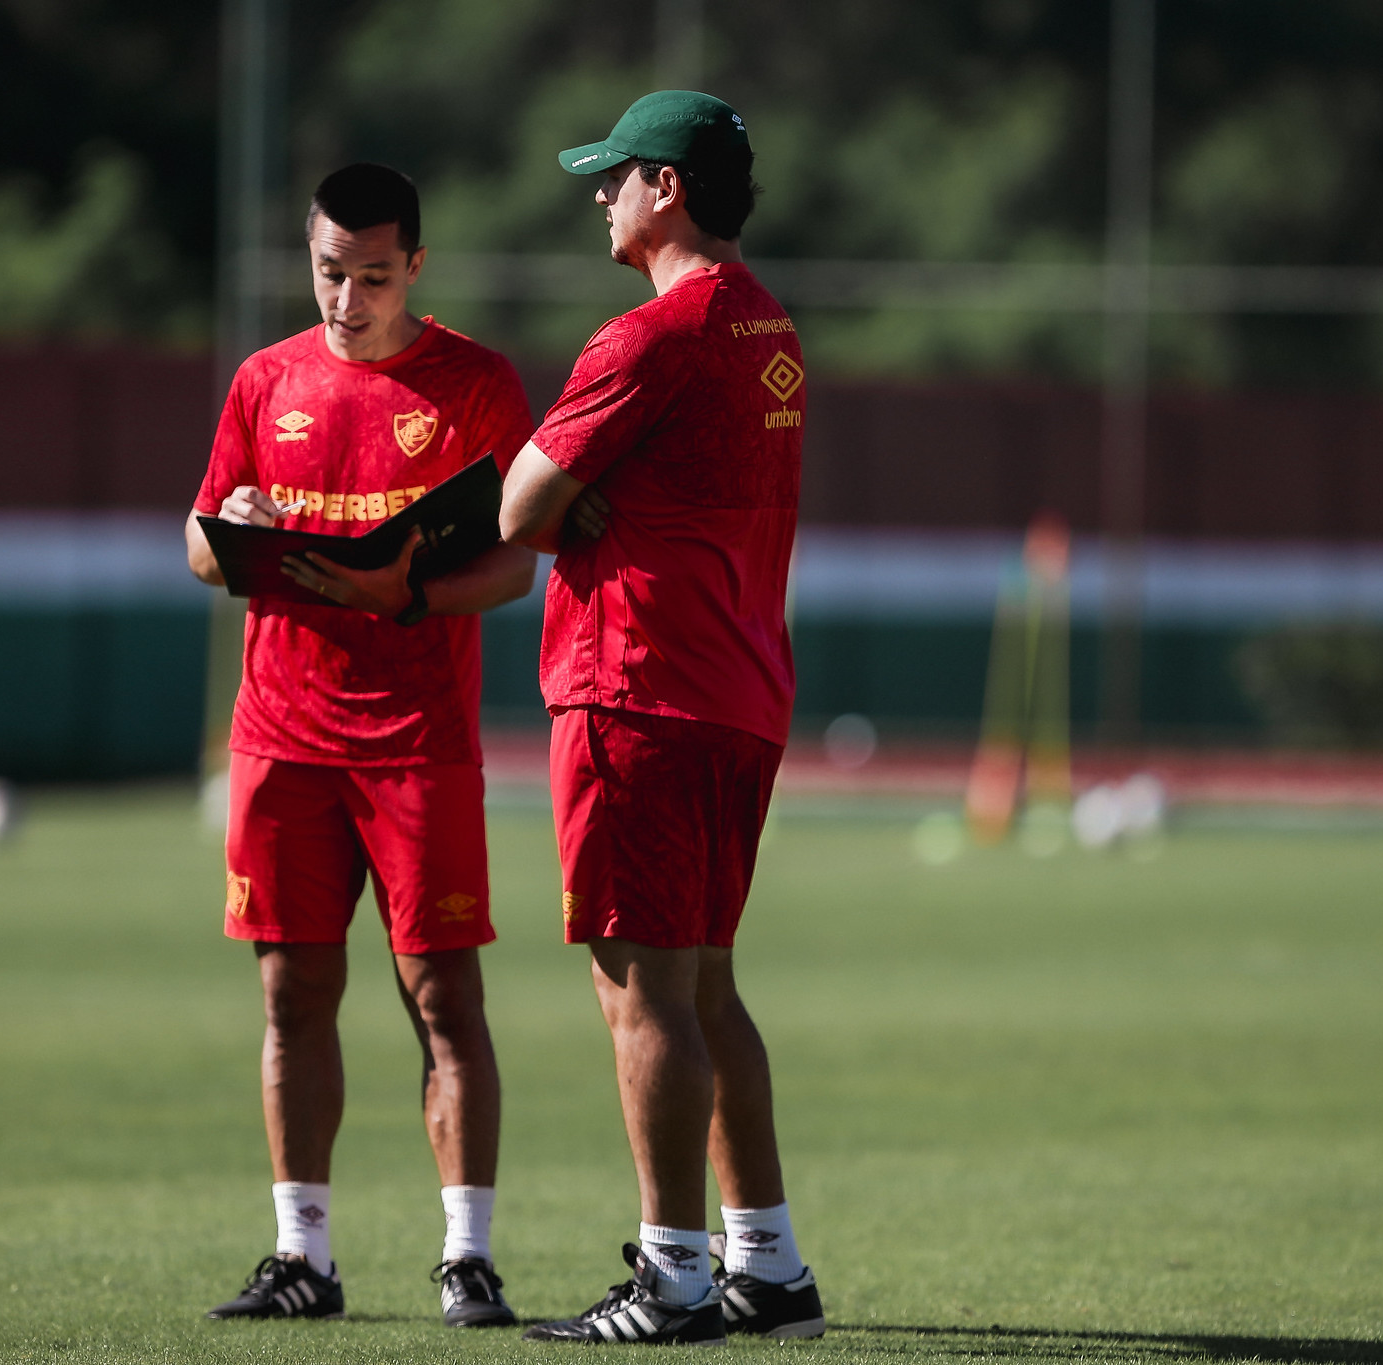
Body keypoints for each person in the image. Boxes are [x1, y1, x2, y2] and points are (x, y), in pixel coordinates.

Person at [498, 91, 827, 1346]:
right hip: (738, 692)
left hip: (638, 690)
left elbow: (520, 511)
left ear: (667, 189)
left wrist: (570, 500)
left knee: (643, 999)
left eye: (616, 175)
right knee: (705, 991)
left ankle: (674, 1279)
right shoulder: (769, 327)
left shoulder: (650, 336)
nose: (600, 195)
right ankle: (770, 1268)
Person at [186, 162, 538, 1329]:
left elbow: (512, 563)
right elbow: (201, 541)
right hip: (281, 736)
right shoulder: (263, 380)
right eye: (330, 272)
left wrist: (407, 597)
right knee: (292, 993)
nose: (347, 299)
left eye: (373, 277)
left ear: (417, 269)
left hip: (415, 740)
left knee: (442, 995)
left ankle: (467, 1257)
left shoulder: (477, 385)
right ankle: (302, 1256)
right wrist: (228, 533)